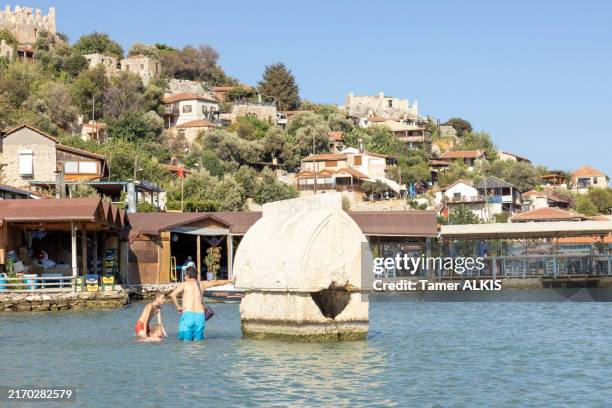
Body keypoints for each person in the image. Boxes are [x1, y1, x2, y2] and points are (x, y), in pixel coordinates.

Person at [169, 266, 232, 341]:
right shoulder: (202, 284)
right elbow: (216, 282)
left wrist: (178, 306)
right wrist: (230, 280)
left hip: (188, 314)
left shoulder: (184, 284)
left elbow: (172, 295)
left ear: (187, 275)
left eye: (184, 275)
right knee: (198, 343)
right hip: (200, 315)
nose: (184, 277)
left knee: (186, 343)